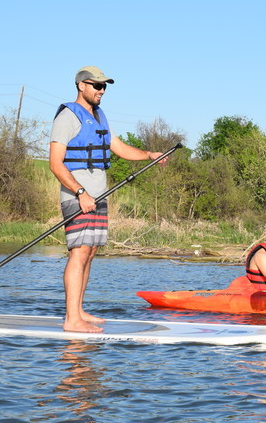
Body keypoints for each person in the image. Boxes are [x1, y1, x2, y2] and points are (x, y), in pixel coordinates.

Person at [49, 65, 165, 333]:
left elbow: (119, 148)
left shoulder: (99, 116)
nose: (102, 91)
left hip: (98, 195)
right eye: (97, 85)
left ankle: (78, 311)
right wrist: (80, 193)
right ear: (81, 86)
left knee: (90, 252)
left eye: (104, 86)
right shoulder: (67, 116)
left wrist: (149, 155)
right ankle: (71, 319)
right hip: (78, 196)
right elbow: (55, 163)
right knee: (78, 253)